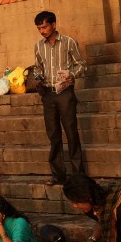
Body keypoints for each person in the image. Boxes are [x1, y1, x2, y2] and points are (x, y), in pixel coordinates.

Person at [33, 11, 86, 185]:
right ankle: (58, 175)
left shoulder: (69, 42)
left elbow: (81, 65)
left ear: (54, 25)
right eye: (39, 28)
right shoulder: (38, 46)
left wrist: (72, 75)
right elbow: (38, 68)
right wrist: (38, 77)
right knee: (53, 134)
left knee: (71, 132)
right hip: (47, 94)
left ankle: (78, 175)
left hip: (65, 92)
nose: (42, 31)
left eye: (45, 27)